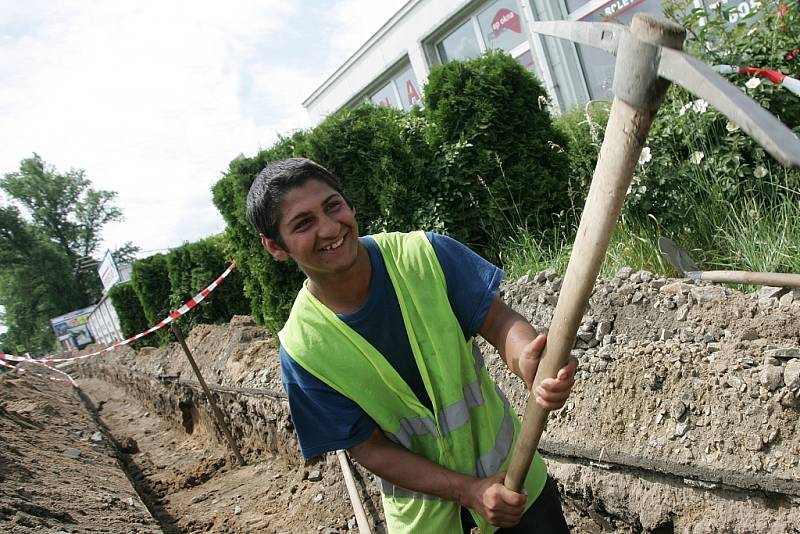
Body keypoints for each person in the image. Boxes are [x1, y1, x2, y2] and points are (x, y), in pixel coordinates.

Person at [246, 158, 577, 533]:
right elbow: (368, 447)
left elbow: (499, 322)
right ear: (275, 246)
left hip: (517, 488)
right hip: (429, 524)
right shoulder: (302, 350)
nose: (328, 227)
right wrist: (468, 492)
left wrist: (526, 359)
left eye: (332, 205)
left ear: (349, 204)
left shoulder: (425, 256)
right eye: (303, 223)